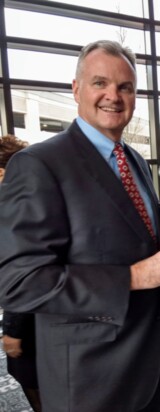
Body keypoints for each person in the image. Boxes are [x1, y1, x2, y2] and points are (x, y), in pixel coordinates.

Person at [0, 40, 160, 412]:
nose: (113, 96)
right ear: (76, 89)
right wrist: (133, 277)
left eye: (125, 87)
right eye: (99, 83)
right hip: (89, 380)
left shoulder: (134, 160)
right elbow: (18, 283)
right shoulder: (39, 164)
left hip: (146, 368)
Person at [0, 135, 42, 412]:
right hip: (42, 315)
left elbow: (26, 271)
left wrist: (13, 329)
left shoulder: (18, 208)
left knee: (37, 385)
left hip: (32, 320)